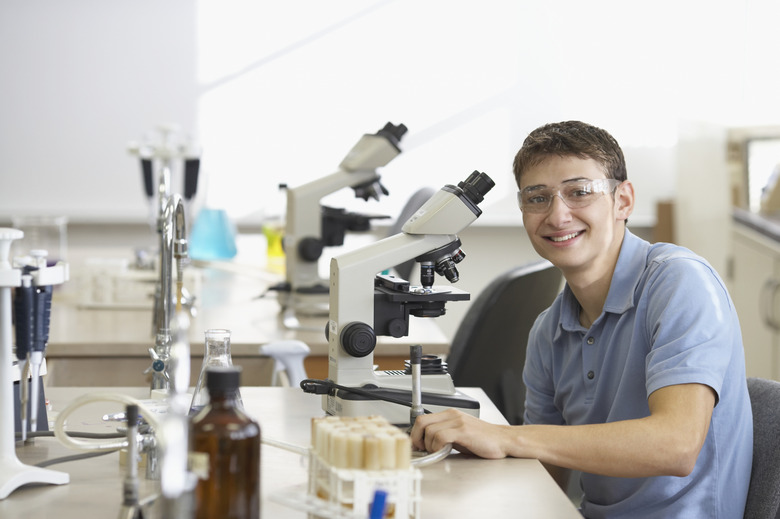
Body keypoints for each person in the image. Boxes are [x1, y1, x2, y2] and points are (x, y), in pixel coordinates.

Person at [410, 120, 753, 518]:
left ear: (623, 200)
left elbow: (676, 445)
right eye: (537, 198)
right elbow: (545, 477)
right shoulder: (548, 331)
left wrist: (507, 437)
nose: (557, 215)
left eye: (579, 192)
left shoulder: (680, 282)